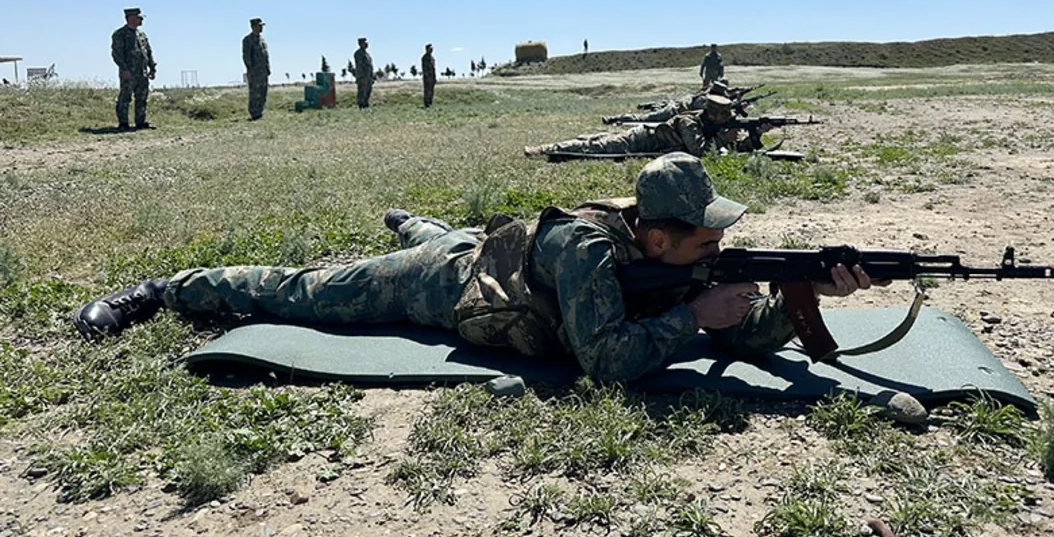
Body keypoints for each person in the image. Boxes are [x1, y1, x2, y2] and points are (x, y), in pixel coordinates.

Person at [72, 153, 883, 381]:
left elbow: (740, 342)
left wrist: (802, 302)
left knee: (446, 232)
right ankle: (164, 290)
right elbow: (604, 362)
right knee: (309, 294)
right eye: (705, 240)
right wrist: (690, 323)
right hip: (448, 286)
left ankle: (412, 222)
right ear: (657, 234)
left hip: (494, 257)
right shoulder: (591, 248)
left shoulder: (674, 259)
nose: (719, 249)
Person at [527, 94, 756, 160]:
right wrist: (723, 139)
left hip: (654, 141)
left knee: (599, 142)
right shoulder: (690, 122)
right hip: (642, 139)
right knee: (596, 149)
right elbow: (700, 151)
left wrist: (755, 136)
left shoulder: (712, 126)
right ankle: (545, 148)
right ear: (713, 116)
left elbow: (736, 149)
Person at [111, 7, 156, 130]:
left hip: (142, 72)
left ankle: (140, 122)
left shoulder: (142, 35)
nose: (141, 20)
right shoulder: (120, 34)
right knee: (125, 97)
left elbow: (148, 51)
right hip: (129, 72)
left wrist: (152, 67)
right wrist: (124, 69)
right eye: (139, 18)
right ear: (130, 18)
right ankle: (123, 123)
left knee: (142, 97)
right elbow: (117, 54)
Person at [603, 82, 730, 125]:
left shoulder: (705, 98)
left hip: (674, 109)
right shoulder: (705, 100)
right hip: (672, 112)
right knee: (644, 119)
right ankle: (613, 118)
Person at [241, 18, 270, 120]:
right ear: (253, 27)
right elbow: (246, 56)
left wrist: (268, 68)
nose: (261, 28)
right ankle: (254, 113)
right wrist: (250, 68)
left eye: (262, 26)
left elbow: (265, 56)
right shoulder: (248, 40)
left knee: (263, 92)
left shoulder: (261, 40)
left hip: (263, 71)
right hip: (255, 71)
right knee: (255, 92)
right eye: (259, 25)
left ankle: (260, 111)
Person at [353, 38, 374, 109]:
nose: (366, 44)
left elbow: (370, 66)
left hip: (368, 76)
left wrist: (371, 76)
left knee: (368, 90)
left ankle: (366, 103)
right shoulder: (358, 53)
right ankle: (361, 105)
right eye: (364, 43)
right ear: (360, 44)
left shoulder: (367, 54)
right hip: (362, 75)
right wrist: (361, 76)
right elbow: (360, 65)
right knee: (362, 91)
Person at [421, 43, 436, 108]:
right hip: (427, 77)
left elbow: (433, 68)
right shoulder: (425, 58)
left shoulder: (432, 58)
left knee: (432, 91)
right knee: (427, 91)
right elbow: (424, 68)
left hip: (432, 77)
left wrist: (434, 77)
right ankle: (426, 104)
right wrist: (427, 77)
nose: (432, 50)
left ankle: (430, 103)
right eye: (430, 49)